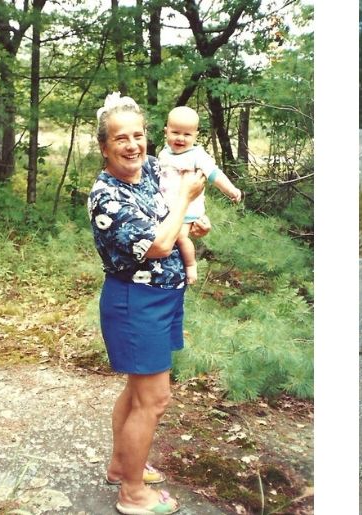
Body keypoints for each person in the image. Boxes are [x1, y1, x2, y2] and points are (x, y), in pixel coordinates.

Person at [88, 92, 206, 515]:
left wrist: (193, 221)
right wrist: (184, 202)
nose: (133, 145)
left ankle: (122, 467)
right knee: (154, 400)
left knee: (138, 392)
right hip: (135, 303)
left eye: (138, 135)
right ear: (104, 147)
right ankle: (133, 495)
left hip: (163, 297)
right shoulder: (107, 197)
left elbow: (172, 225)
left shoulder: (151, 170)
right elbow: (157, 244)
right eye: (121, 138)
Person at [157, 105, 242, 284]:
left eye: (187, 134)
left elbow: (214, 174)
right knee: (166, 236)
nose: (180, 138)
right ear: (166, 132)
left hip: (188, 208)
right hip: (167, 209)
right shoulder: (164, 153)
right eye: (175, 132)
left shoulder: (197, 155)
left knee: (180, 237)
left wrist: (230, 190)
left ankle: (190, 265)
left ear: (195, 136)